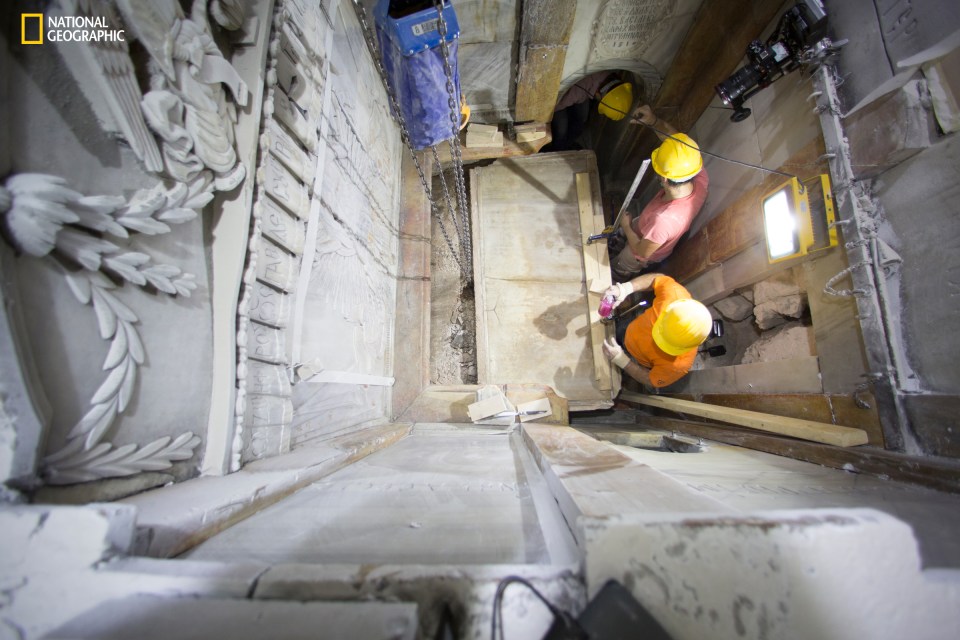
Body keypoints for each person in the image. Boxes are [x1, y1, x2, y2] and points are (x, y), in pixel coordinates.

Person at [612, 105, 709, 282]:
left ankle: (613, 274)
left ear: (664, 178)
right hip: (644, 225)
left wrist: (626, 226)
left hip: (638, 252)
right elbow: (677, 147)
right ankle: (615, 242)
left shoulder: (665, 220)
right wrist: (653, 121)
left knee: (619, 265)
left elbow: (641, 251)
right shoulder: (698, 177)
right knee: (621, 235)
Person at [600, 272, 712, 389]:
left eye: (665, 344)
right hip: (631, 327)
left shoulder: (679, 365)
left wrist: (623, 361)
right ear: (668, 312)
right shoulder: (673, 296)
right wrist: (624, 289)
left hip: (634, 358)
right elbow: (657, 279)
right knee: (620, 329)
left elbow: (651, 379)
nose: (656, 340)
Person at [544, 71, 633, 151]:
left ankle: (568, 143)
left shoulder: (608, 75)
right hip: (557, 98)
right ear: (599, 93)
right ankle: (558, 149)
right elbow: (554, 106)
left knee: (582, 119)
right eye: (600, 101)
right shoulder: (577, 92)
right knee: (561, 128)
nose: (598, 102)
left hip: (585, 91)